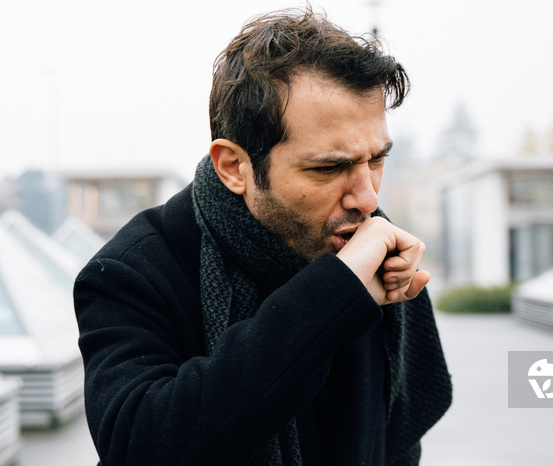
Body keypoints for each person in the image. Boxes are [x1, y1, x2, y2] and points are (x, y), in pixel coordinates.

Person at [74, 7, 452, 466]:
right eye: (328, 168)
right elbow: (140, 444)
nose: (368, 199)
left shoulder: (375, 253)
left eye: (375, 159)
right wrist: (335, 295)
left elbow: (397, 438)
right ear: (234, 166)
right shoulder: (131, 272)